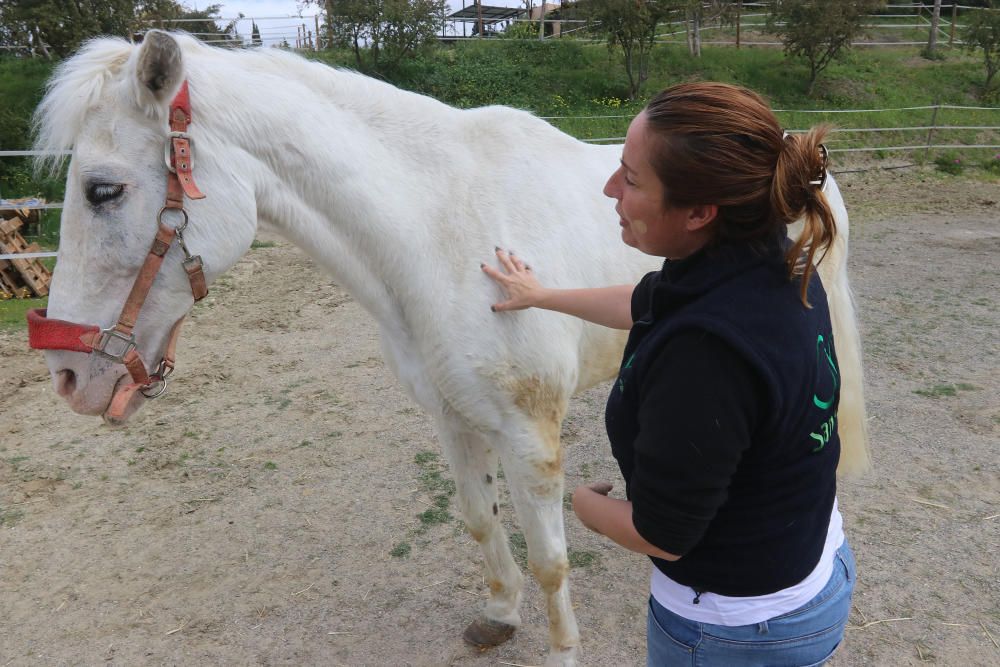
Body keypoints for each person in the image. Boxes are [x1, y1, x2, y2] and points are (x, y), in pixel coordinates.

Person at [481, 82, 856, 666]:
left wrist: (584, 505)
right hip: (811, 563)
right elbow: (645, 299)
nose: (610, 189)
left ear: (700, 212)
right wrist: (542, 295)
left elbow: (663, 533)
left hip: (735, 627)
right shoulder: (770, 264)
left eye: (630, 180)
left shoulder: (705, 354)